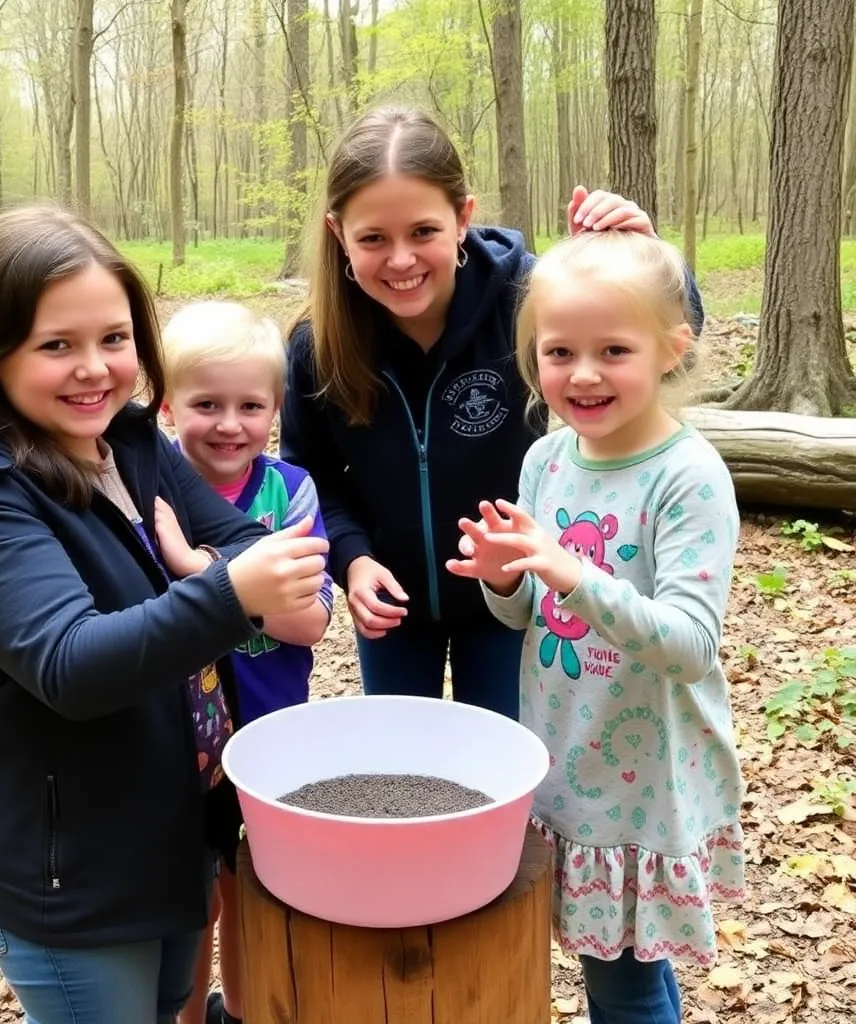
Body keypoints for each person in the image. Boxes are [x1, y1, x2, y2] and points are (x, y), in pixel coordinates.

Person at [0, 206, 330, 1024]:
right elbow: (71, 665)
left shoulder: (131, 442)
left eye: (114, 339)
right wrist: (230, 590)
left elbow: (245, 537)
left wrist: (209, 568)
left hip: (168, 826)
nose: (95, 370)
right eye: (57, 345)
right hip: (69, 871)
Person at [280, 105, 682, 720]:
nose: (401, 260)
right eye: (372, 239)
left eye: (422, 231)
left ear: (463, 217)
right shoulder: (320, 344)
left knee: (503, 767)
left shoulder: (524, 295)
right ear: (339, 234)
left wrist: (645, 254)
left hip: (513, 594)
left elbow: (664, 339)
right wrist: (353, 559)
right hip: (391, 605)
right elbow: (309, 475)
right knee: (401, 770)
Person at [446, 230, 744, 1024]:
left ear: (672, 347)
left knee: (621, 982)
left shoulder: (688, 477)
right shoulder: (546, 459)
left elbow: (690, 646)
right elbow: (529, 615)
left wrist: (571, 572)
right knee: (624, 964)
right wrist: (506, 579)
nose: (582, 374)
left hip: (645, 783)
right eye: (558, 352)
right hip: (568, 758)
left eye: (613, 349)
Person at [155, 301, 333, 1024]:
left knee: (256, 886)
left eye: (250, 405)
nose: (230, 424)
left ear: (276, 409)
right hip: (175, 738)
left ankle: (251, 1009)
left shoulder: (288, 492)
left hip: (269, 727)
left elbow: (310, 621)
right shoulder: (150, 491)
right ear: (166, 406)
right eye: (206, 404)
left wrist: (197, 567)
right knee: (195, 893)